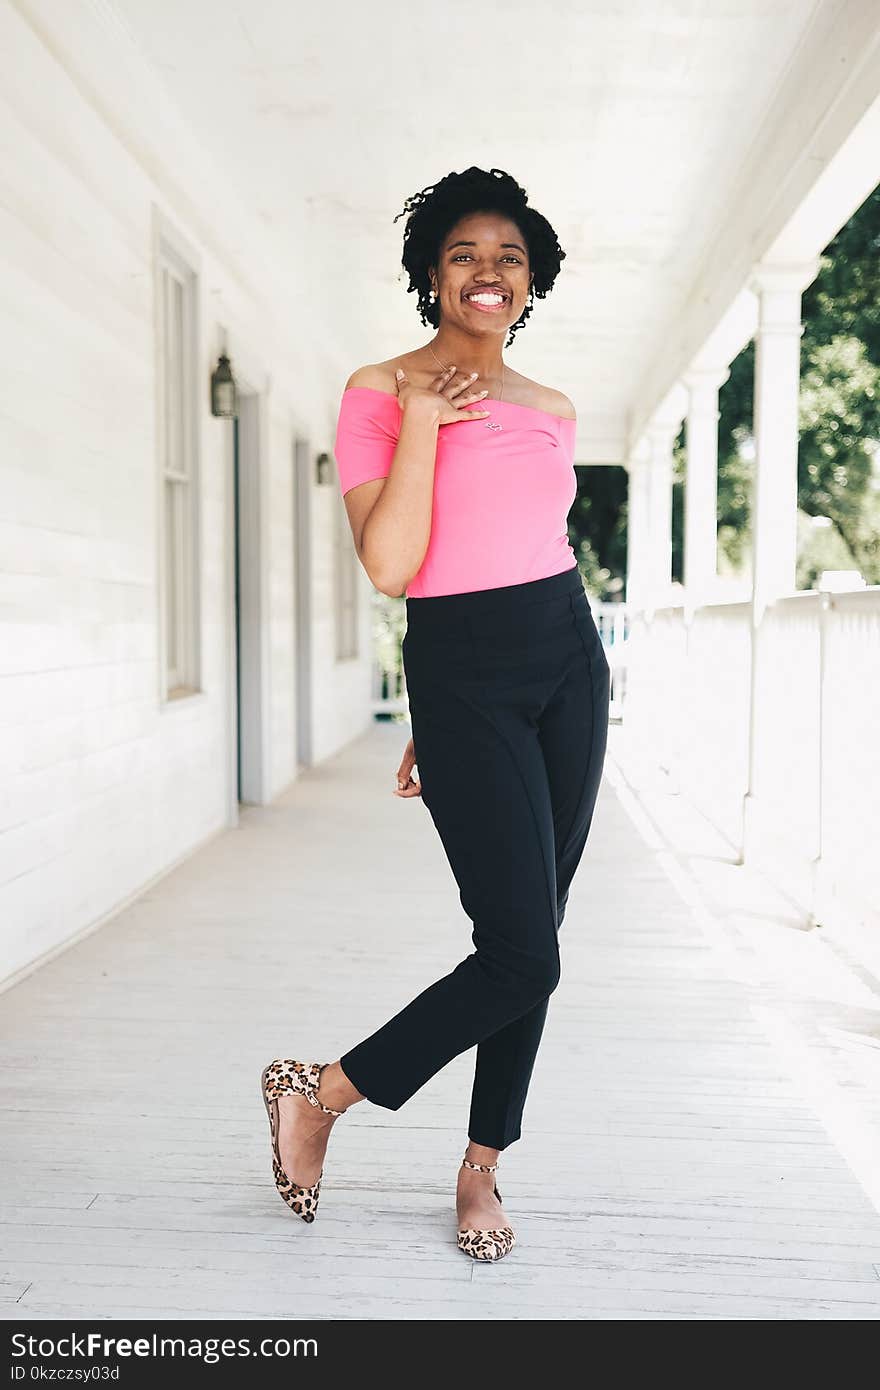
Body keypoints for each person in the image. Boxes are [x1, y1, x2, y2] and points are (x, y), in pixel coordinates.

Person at [261, 166, 610, 1262]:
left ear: (531, 281)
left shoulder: (551, 408)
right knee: (520, 952)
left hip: (564, 658)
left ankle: (479, 1169)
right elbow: (391, 563)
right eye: (465, 253)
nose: (488, 272)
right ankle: (320, 1092)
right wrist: (421, 420)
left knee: (535, 939)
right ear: (430, 274)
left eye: (509, 257)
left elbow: (526, 545)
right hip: (460, 665)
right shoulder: (378, 388)